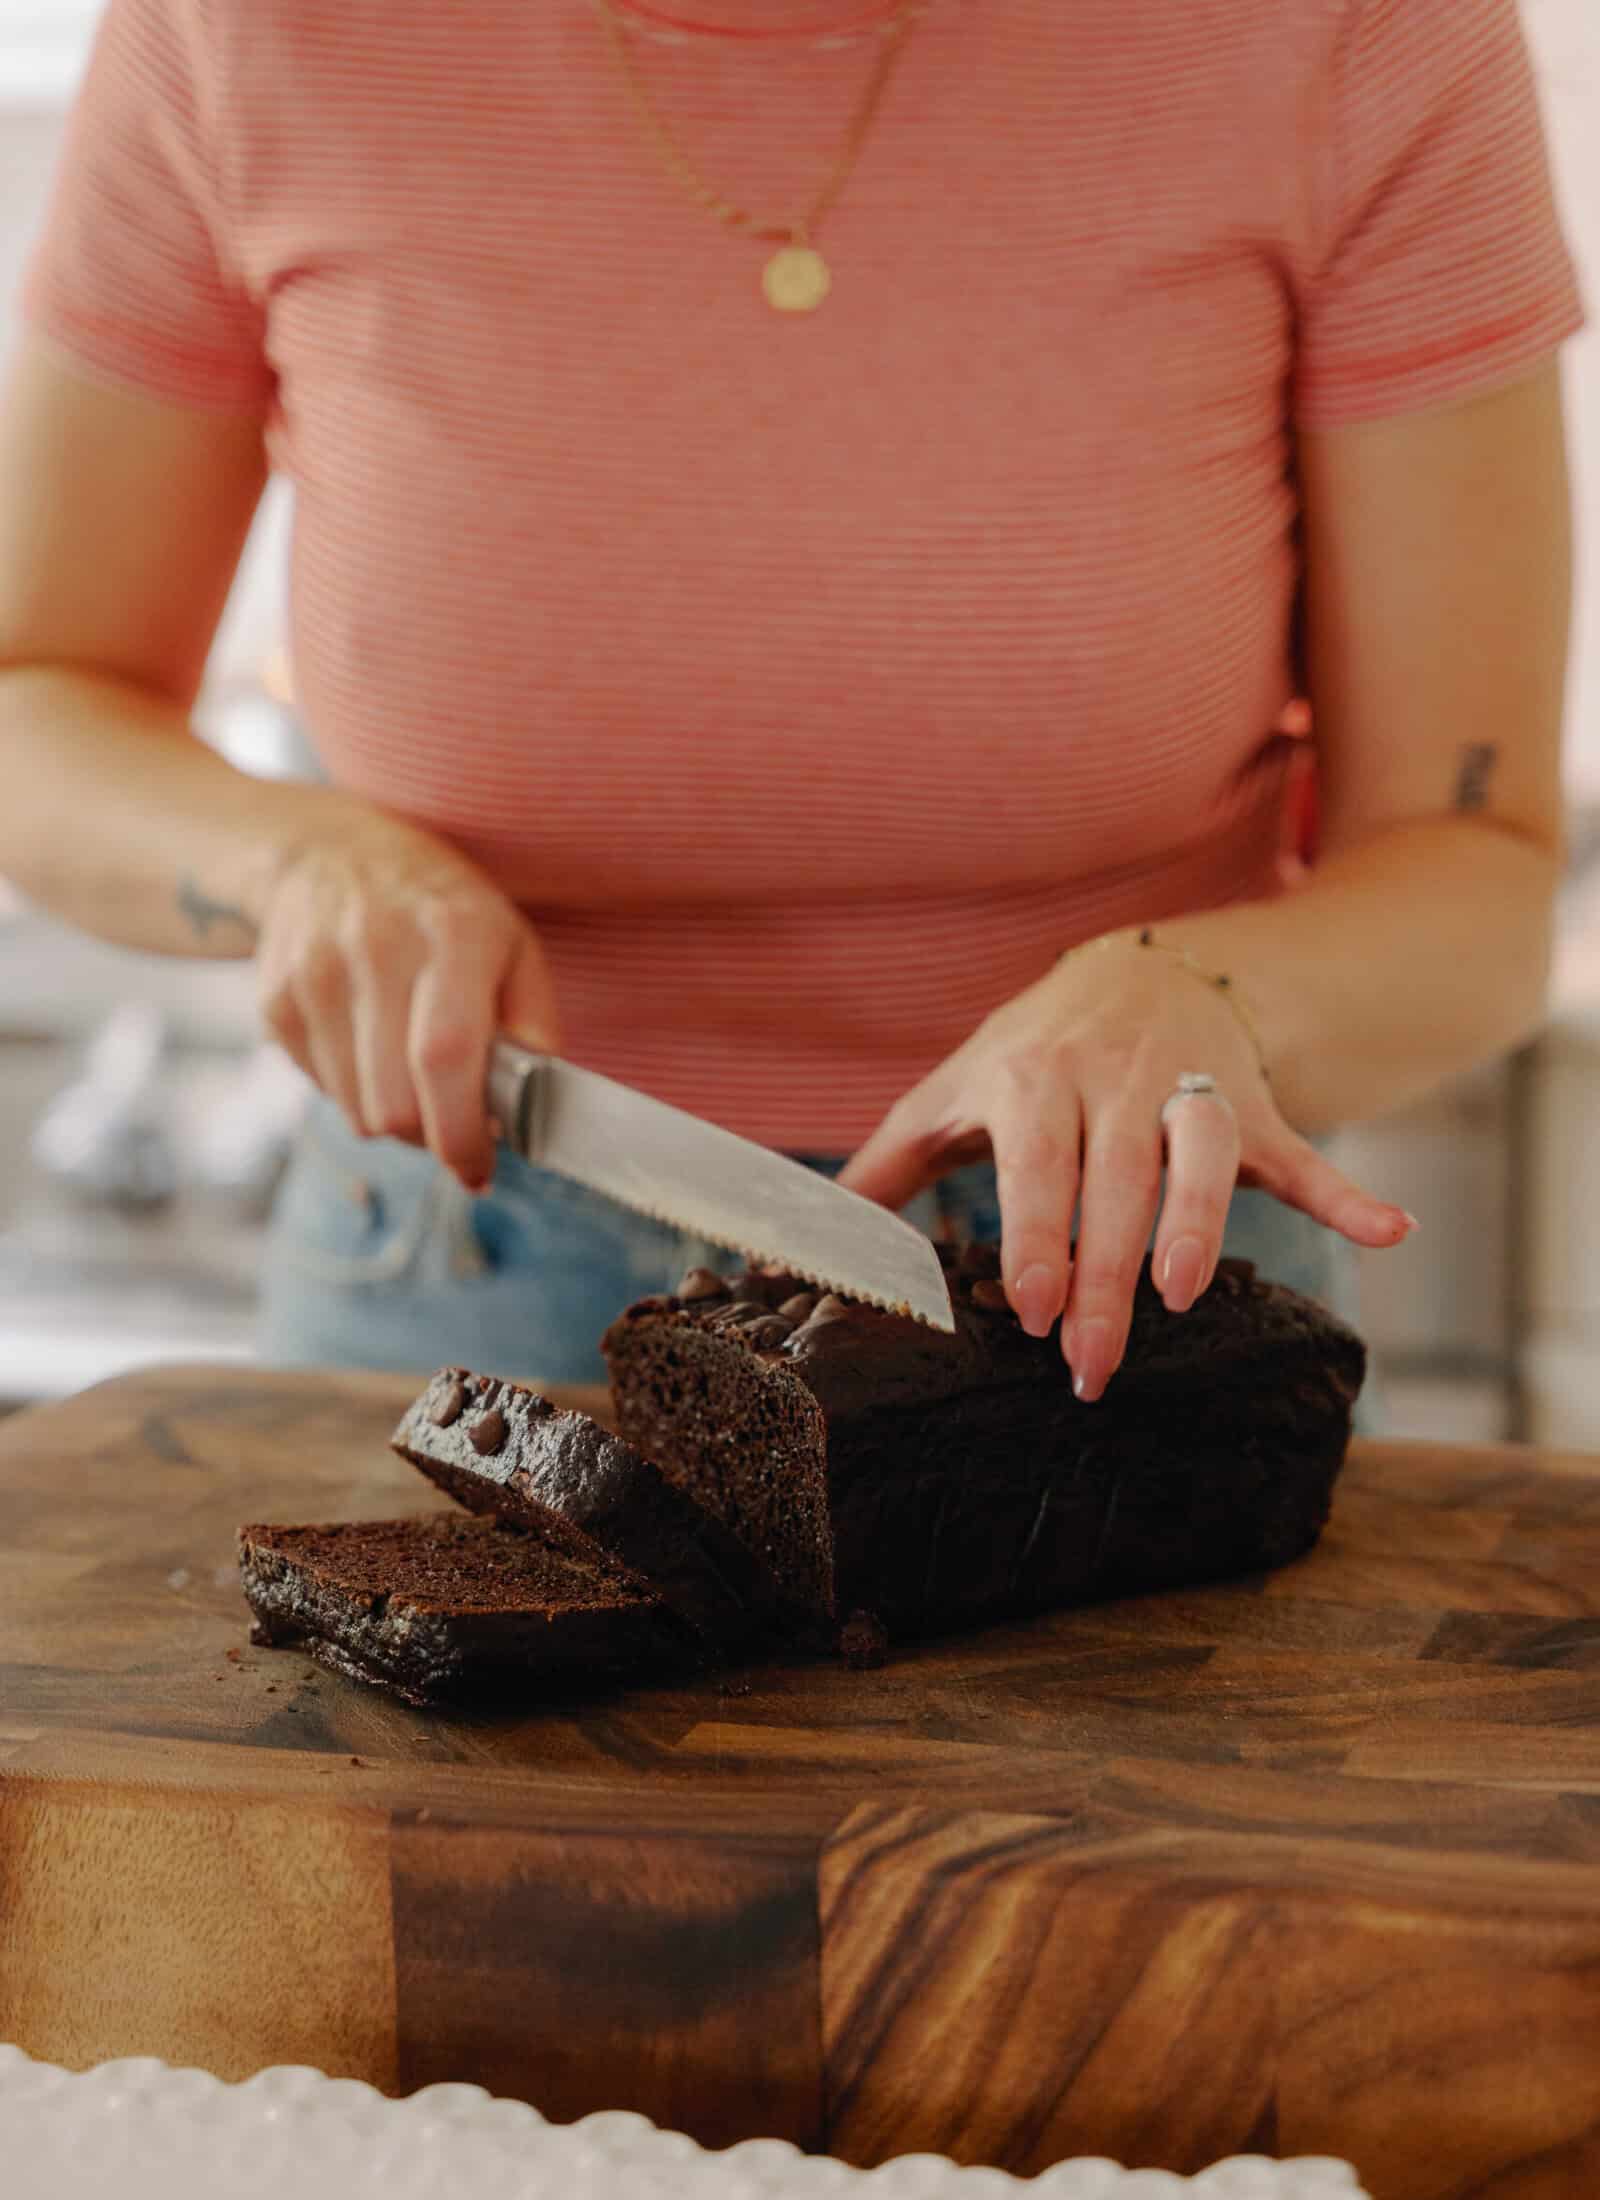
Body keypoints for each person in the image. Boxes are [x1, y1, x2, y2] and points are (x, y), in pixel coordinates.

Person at [0, 0, 1582, 1397]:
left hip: (1130, 1289)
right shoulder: (242, 26)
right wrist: (305, 867)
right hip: (464, 1261)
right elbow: (41, 696)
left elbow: (1474, 867)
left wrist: (1208, 998)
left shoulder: (1359, 25)